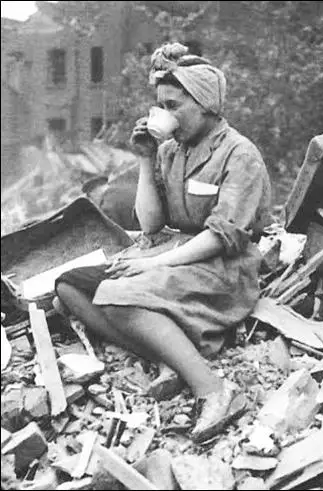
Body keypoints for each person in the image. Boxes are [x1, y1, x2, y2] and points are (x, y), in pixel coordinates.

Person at [54, 42, 273, 442]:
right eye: (161, 106)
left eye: (175, 106)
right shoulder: (171, 150)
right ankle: (166, 355)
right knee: (68, 288)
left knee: (118, 296)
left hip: (221, 265)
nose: (164, 116)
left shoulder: (240, 154)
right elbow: (151, 223)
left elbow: (224, 236)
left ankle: (214, 388)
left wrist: (154, 265)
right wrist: (143, 158)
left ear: (206, 105)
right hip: (171, 251)